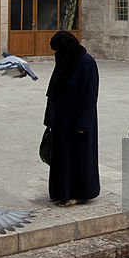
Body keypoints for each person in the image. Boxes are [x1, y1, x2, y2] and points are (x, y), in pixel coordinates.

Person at [44, 31, 100, 206]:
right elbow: (53, 90)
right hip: (60, 122)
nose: (56, 54)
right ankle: (61, 192)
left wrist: (83, 123)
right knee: (61, 157)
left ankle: (78, 193)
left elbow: (90, 95)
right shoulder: (64, 60)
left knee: (77, 157)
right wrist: (49, 117)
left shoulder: (86, 63)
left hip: (77, 123)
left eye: (58, 50)